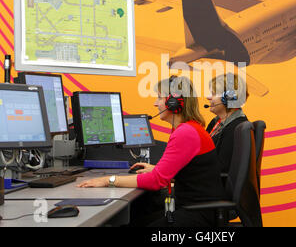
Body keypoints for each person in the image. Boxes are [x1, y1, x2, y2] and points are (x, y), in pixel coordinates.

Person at [77, 75, 224, 227]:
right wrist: (156, 169)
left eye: (159, 98)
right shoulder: (188, 128)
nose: (155, 103)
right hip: (191, 208)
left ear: (173, 103)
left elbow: (156, 181)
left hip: (197, 215)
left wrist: (108, 180)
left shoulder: (185, 132)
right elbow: (189, 171)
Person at [205, 73, 249, 175]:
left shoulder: (235, 128)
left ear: (229, 97)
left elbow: (221, 168)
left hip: (214, 187)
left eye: (213, 93)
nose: (208, 97)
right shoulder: (216, 122)